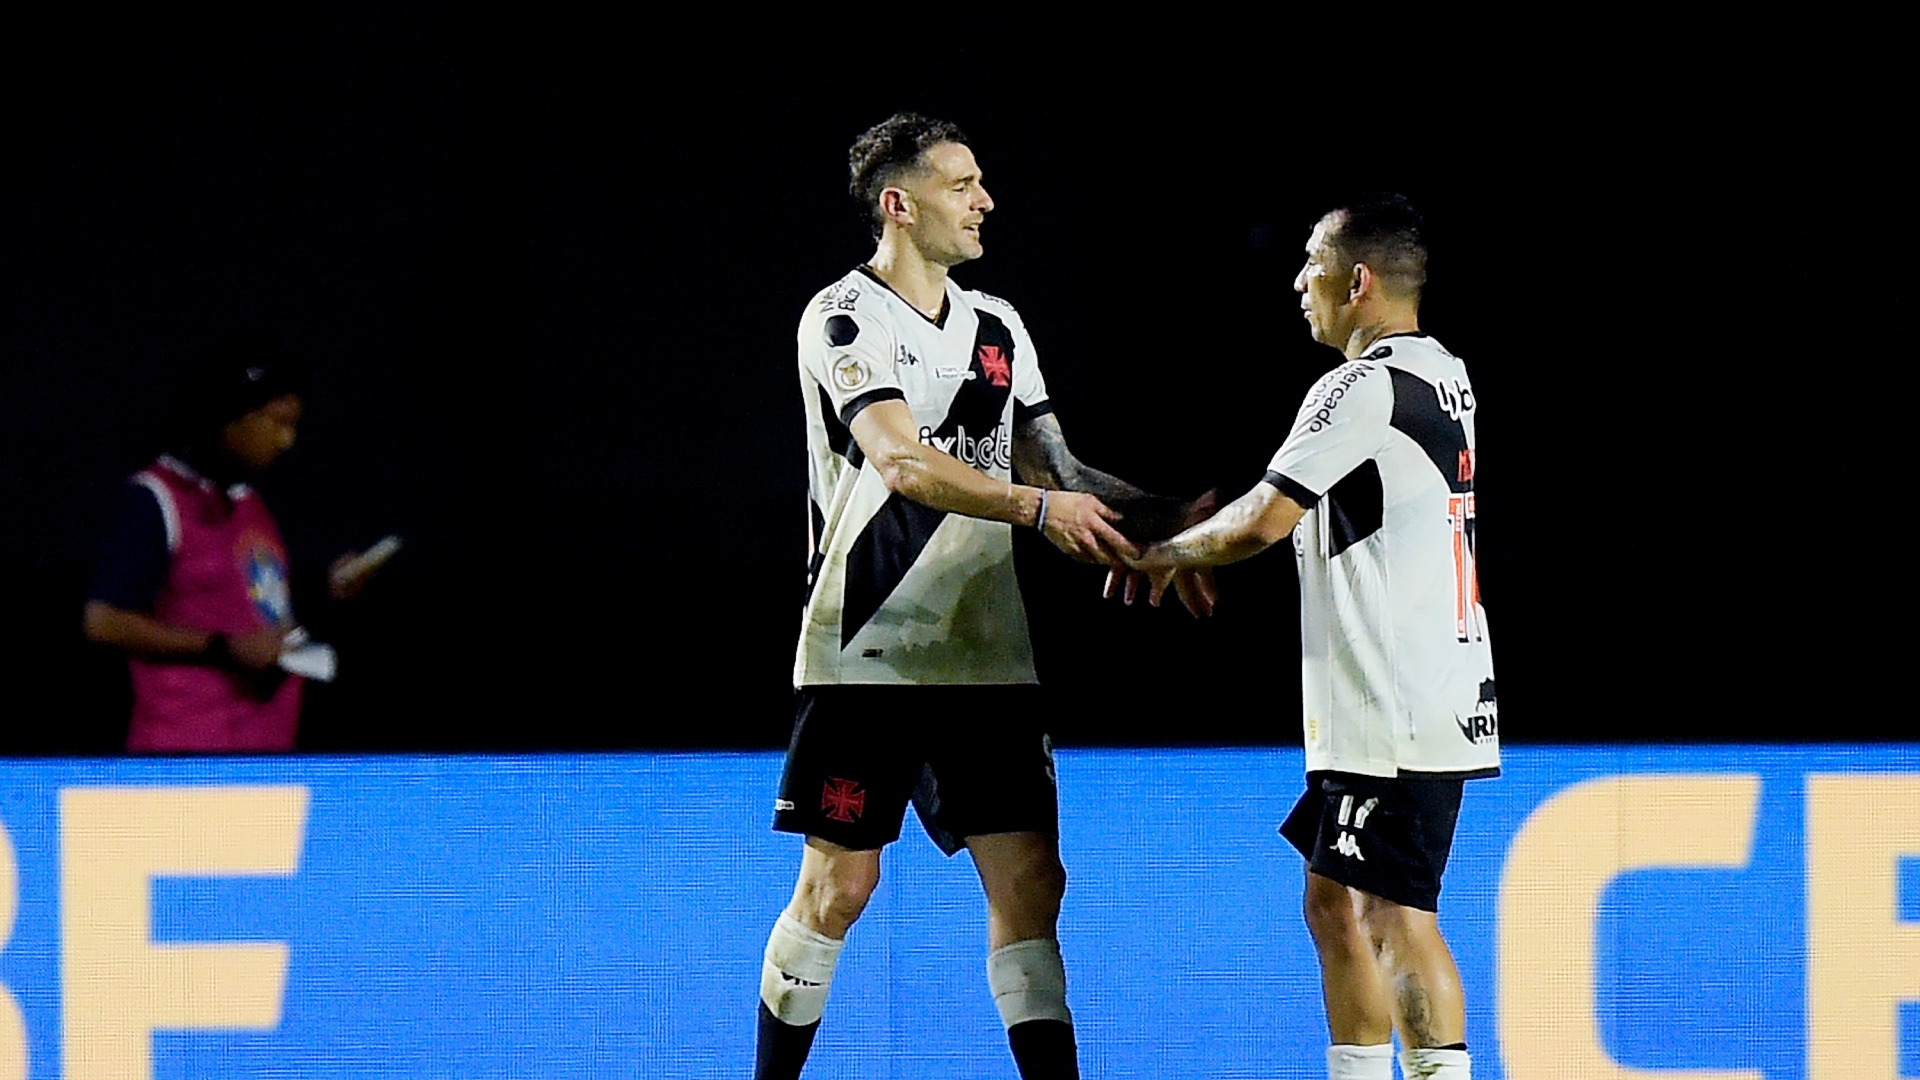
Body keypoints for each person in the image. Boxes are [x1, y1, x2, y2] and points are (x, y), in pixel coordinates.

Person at [757, 112, 1211, 1080]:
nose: (984, 201)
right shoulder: (843, 318)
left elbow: (1058, 466)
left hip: (987, 655)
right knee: (839, 888)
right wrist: (1038, 510)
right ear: (899, 203)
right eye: (962, 184)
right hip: (866, 649)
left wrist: (1173, 527)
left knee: (1032, 884)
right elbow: (898, 459)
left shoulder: (997, 327)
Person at [1117, 195, 1497, 1080]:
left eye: (1311, 261)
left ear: (1357, 281)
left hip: (1395, 701)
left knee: (1394, 915)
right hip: (1418, 688)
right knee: (1334, 902)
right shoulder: (1446, 372)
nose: (1298, 281)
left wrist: (1159, 555)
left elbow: (1263, 518)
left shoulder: (1362, 387)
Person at [83, 336, 382, 753]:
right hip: (186, 766)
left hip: (264, 761)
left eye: (293, 426)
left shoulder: (249, 504)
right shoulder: (156, 498)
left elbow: (259, 626)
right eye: (277, 423)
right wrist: (222, 647)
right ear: (229, 415)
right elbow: (102, 621)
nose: (286, 441)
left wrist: (328, 597)